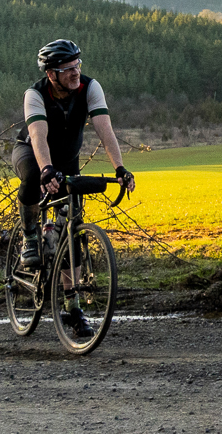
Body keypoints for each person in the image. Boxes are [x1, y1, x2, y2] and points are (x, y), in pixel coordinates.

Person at [12, 38, 134, 342]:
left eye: (77, 65)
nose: (75, 72)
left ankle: (72, 305)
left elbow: (105, 130)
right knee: (30, 180)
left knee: (72, 232)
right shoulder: (35, 94)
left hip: (67, 160)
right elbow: (38, 137)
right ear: (51, 73)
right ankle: (29, 236)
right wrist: (45, 170)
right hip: (32, 154)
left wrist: (120, 169)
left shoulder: (90, 88)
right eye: (67, 69)